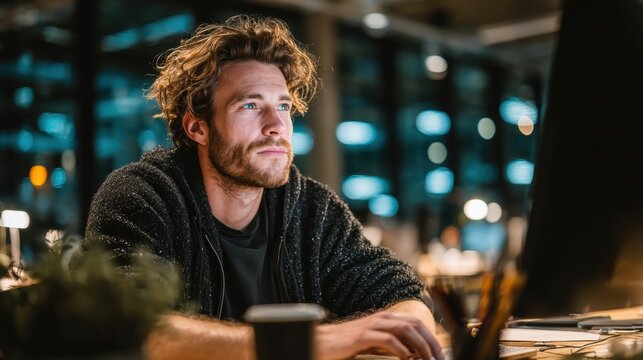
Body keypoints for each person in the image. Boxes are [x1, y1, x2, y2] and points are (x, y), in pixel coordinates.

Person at [74, 15, 443, 360]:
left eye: (283, 107)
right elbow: (128, 329)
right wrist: (312, 341)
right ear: (197, 128)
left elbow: (405, 298)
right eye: (250, 105)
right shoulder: (141, 197)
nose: (276, 126)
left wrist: (401, 324)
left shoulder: (313, 209)